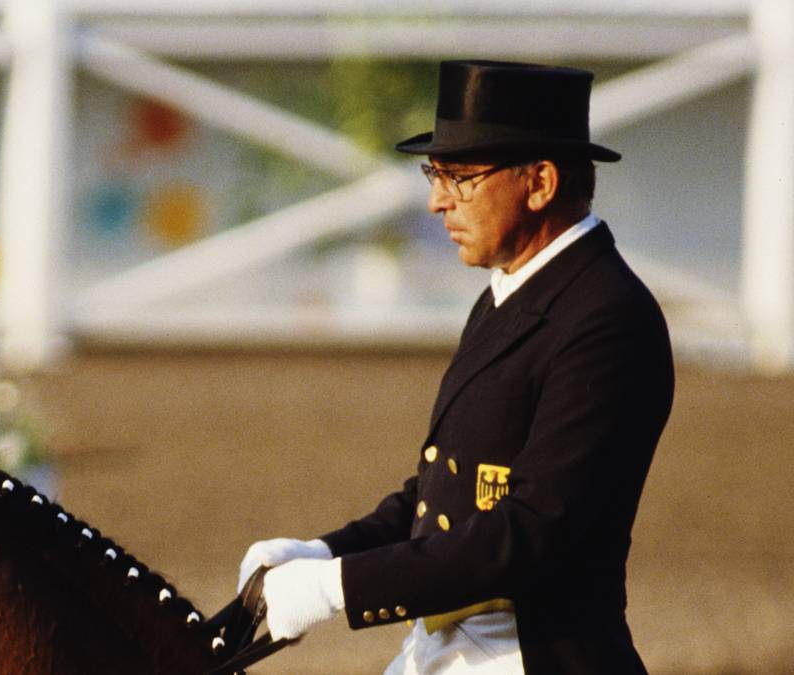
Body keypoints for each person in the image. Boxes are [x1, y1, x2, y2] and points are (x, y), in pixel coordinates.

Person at [237, 60, 675, 674]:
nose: (436, 201)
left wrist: (337, 586)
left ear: (540, 182)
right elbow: (447, 495)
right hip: (444, 648)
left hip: (533, 655)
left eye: (460, 177)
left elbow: (533, 530)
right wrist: (322, 551)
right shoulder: (510, 292)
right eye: (434, 174)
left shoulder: (606, 317)